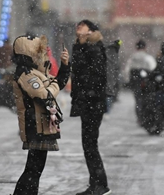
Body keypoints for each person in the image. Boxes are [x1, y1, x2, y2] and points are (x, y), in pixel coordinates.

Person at [11, 34, 70, 195]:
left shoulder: (36, 73)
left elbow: (58, 83)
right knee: (33, 169)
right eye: (40, 53)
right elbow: (44, 95)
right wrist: (53, 86)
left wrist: (65, 65)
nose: (43, 56)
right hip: (34, 125)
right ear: (29, 54)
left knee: (34, 169)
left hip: (41, 124)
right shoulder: (26, 74)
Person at [70, 19, 111, 195]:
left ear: (91, 31)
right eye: (78, 25)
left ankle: (100, 185)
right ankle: (96, 184)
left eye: (83, 25)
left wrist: (89, 93)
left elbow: (98, 75)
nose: (79, 26)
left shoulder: (94, 48)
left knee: (90, 144)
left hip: (93, 103)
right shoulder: (82, 47)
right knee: (88, 144)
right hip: (87, 102)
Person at [125, 39, 156, 124]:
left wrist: (128, 81)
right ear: (145, 47)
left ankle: (139, 117)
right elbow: (153, 68)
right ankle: (145, 116)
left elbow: (127, 69)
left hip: (135, 81)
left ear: (136, 47)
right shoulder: (148, 57)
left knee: (138, 100)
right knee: (146, 99)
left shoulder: (132, 57)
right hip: (146, 82)